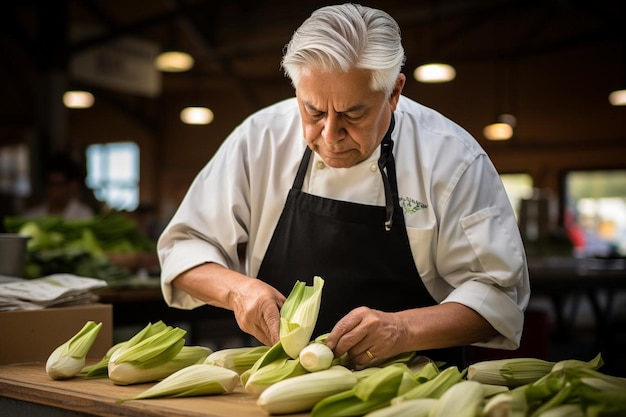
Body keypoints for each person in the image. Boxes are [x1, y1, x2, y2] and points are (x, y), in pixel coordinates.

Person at [157, 3, 530, 368]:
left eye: (354, 113)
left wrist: (403, 330)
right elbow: (184, 250)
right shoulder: (260, 139)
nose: (330, 135)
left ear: (394, 92)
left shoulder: (453, 158)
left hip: (415, 387)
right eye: (313, 111)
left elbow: (497, 296)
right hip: (282, 381)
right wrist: (238, 290)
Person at [21, 153, 95, 220]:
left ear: (72, 185)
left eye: (58, 184)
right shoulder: (31, 216)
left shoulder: (84, 216)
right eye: (50, 184)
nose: (54, 190)